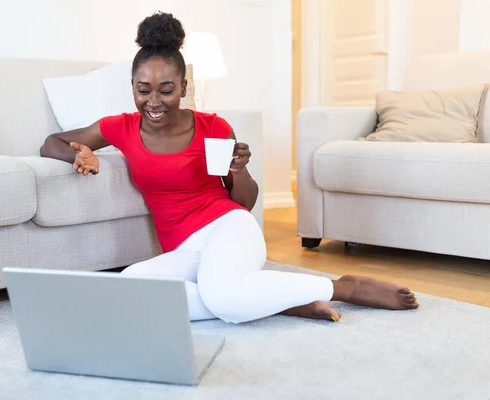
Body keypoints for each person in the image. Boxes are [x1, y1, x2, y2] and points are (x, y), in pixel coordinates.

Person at [40, 11, 419, 324]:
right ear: (133, 86)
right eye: (143, 89)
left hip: (229, 229)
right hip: (185, 250)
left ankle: (344, 287)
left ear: (184, 87)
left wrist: (238, 171)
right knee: (129, 287)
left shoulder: (213, 127)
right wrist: (78, 156)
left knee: (221, 297)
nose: (153, 101)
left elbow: (245, 203)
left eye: (166, 89)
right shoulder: (119, 127)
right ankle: (276, 300)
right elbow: (51, 142)